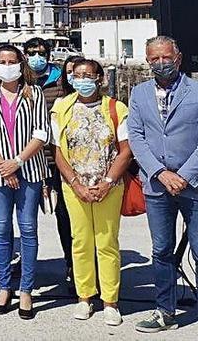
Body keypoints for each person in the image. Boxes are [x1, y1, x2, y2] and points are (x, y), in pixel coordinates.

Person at [51, 58, 131, 326]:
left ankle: (111, 301)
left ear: (99, 78)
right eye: (77, 74)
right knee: (81, 242)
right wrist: (75, 183)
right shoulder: (62, 107)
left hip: (109, 185)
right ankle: (84, 296)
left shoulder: (116, 108)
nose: (83, 79)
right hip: (74, 187)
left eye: (88, 75)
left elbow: (125, 150)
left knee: (107, 243)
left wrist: (108, 181)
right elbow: (57, 150)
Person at [128, 36, 198, 333]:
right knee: (162, 250)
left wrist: (185, 174)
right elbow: (135, 136)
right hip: (156, 186)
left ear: (178, 57)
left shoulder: (196, 91)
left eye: (165, 57)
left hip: (192, 183)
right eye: (153, 59)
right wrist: (160, 172)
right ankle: (165, 311)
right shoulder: (138, 93)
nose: (160, 63)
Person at [0, 45, 49, 320]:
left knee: (28, 228)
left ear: (21, 64)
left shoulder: (34, 93)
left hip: (28, 170)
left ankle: (26, 288)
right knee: (2, 227)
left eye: (12, 61)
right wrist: (3, 165)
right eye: (2, 61)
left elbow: (42, 132)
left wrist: (16, 162)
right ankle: (5, 286)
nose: (7, 65)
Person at [23, 37, 73, 290]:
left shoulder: (62, 82)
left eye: (41, 52)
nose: (36, 57)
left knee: (65, 215)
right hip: (26, 160)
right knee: (24, 218)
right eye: (31, 52)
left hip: (56, 160)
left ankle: (72, 266)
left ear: (49, 54)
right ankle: (25, 271)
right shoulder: (19, 83)